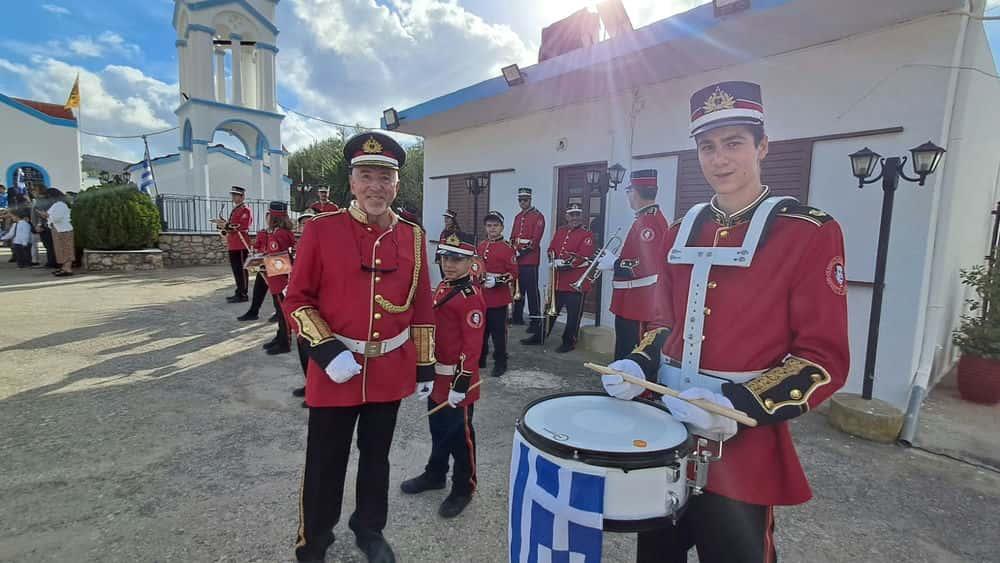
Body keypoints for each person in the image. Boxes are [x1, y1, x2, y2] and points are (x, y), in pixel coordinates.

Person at [601, 81, 850, 563]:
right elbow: (662, 321)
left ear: (763, 147)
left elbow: (822, 358)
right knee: (656, 556)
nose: (719, 159)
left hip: (744, 441)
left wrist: (734, 405)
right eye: (707, 146)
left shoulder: (808, 231)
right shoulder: (682, 228)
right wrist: (639, 362)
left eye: (734, 143)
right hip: (667, 432)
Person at [284, 131, 435, 563]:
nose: (376, 186)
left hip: (389, 370)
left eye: (384, 177)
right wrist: (326, 350)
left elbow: (422, 303)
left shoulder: (413, 237)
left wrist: (424, 366)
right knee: (325, 462)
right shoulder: (321, 230)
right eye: (366, 176)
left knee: (377, 458)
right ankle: (314, 538)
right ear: (351, 182)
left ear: (396, 185)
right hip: (335, 369)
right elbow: (296, 299)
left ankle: (369, 528)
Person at [400, 231, 486, 518]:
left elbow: (471, 348)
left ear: (471, 261)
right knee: (438, 431)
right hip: (437, 378)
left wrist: (460, 384)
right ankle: (435, 474)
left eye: (458, 259)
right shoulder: (443, 287)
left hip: (457, 383)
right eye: (446, 257)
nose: (449, 264)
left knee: (461, 438)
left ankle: (465, 487)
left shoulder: (471, 297)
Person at [596, 169, 671, 360]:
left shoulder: (648, 223)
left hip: (637, 303)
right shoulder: (647, 219)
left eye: (628, 191)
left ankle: (633, 389)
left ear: (634, 192)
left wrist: (614, 263)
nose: (628, 196)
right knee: (624, 350)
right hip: (631, 301)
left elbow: (644, 267)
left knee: (632, 353)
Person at [522, 203, 594, 352]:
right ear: (566, 216)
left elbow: (583, 256)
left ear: (581, 217)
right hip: (559, 281)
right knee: (550, 311)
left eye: (577, 215)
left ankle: (569, 342)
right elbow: (551, 249)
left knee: (573, 316)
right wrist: (552, 258)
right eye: (572, 215)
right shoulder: (561, 231)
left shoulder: (587, 234)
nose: (575, 218)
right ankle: (540, 336)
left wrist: (566, 263)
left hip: (576, 281)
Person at [476, 211, 518, 377]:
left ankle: (501, 362)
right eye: (489, 225)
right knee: (481, 330)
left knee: (498, 333)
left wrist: (498, 281)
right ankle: (480, 358)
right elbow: (476, 267)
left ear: (501, 227)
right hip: (481, 296)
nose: (492, 229)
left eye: (495, 225)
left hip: (498, 297)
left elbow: (514, 272)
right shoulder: (481, 246)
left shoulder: (507, 249)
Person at [262, 202, 297, 355]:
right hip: (279, 277)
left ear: (273, 216)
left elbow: (280, 260)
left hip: (280, 279)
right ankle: (280, 336)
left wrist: (265, 262)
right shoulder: (281, 232)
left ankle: (285, 342)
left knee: (283, 313)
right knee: (279, 310)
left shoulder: (278, 234)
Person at [510, 187, 545, 332]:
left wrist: (521, 252)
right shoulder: (518, 217)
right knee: (518, 289)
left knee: (531, 291)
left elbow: (535, 240)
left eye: (525, 200)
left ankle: (535, 321)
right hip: (517, 258)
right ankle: (517, 316)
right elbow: (513, 236)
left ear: (530, 200)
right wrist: (512, 250)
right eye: (520, 200)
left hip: (530, 259)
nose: (522, 202)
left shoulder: (538, 216)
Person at [220, 186, 253, 303]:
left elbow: (243, 226)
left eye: (236, 195)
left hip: (241, 244)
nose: (233, 197)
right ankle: (239, 291)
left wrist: (227, 226)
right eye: (232, 195)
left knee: (241, 269)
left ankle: (243, 294)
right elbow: (232, 226)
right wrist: (223, 227)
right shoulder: (235, 210)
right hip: (233, 244)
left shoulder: (245, 210)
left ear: (242, 196)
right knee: (235, 269)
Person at [239, 213, 272, 322]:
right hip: (263, 265)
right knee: (258, 290)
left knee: (278, 294)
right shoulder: (262, 232)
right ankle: (253, 312)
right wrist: (254, 251)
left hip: (275, 265)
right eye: (268, 219)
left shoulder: (280, 233)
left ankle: (280, 313)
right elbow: (257, 245)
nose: (269, 221)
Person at [40, 188, 74, 277]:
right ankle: (64, 267)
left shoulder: (61, 205)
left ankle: (67, 268)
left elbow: (57, 218)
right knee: (60, 249)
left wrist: (47, 215)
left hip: (64, 229)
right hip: (58, 229)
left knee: (66, 249)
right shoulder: (56, 204)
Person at [30, 185, 56, 268]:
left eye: (34, 190)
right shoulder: (39, 200)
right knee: (48, 245)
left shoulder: (42, 201)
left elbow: (40, 214)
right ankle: (51, 262)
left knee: (49, 245)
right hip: (44, 225)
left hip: (44, 226)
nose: (32, 192)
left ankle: (52, 262)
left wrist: (38, 225)